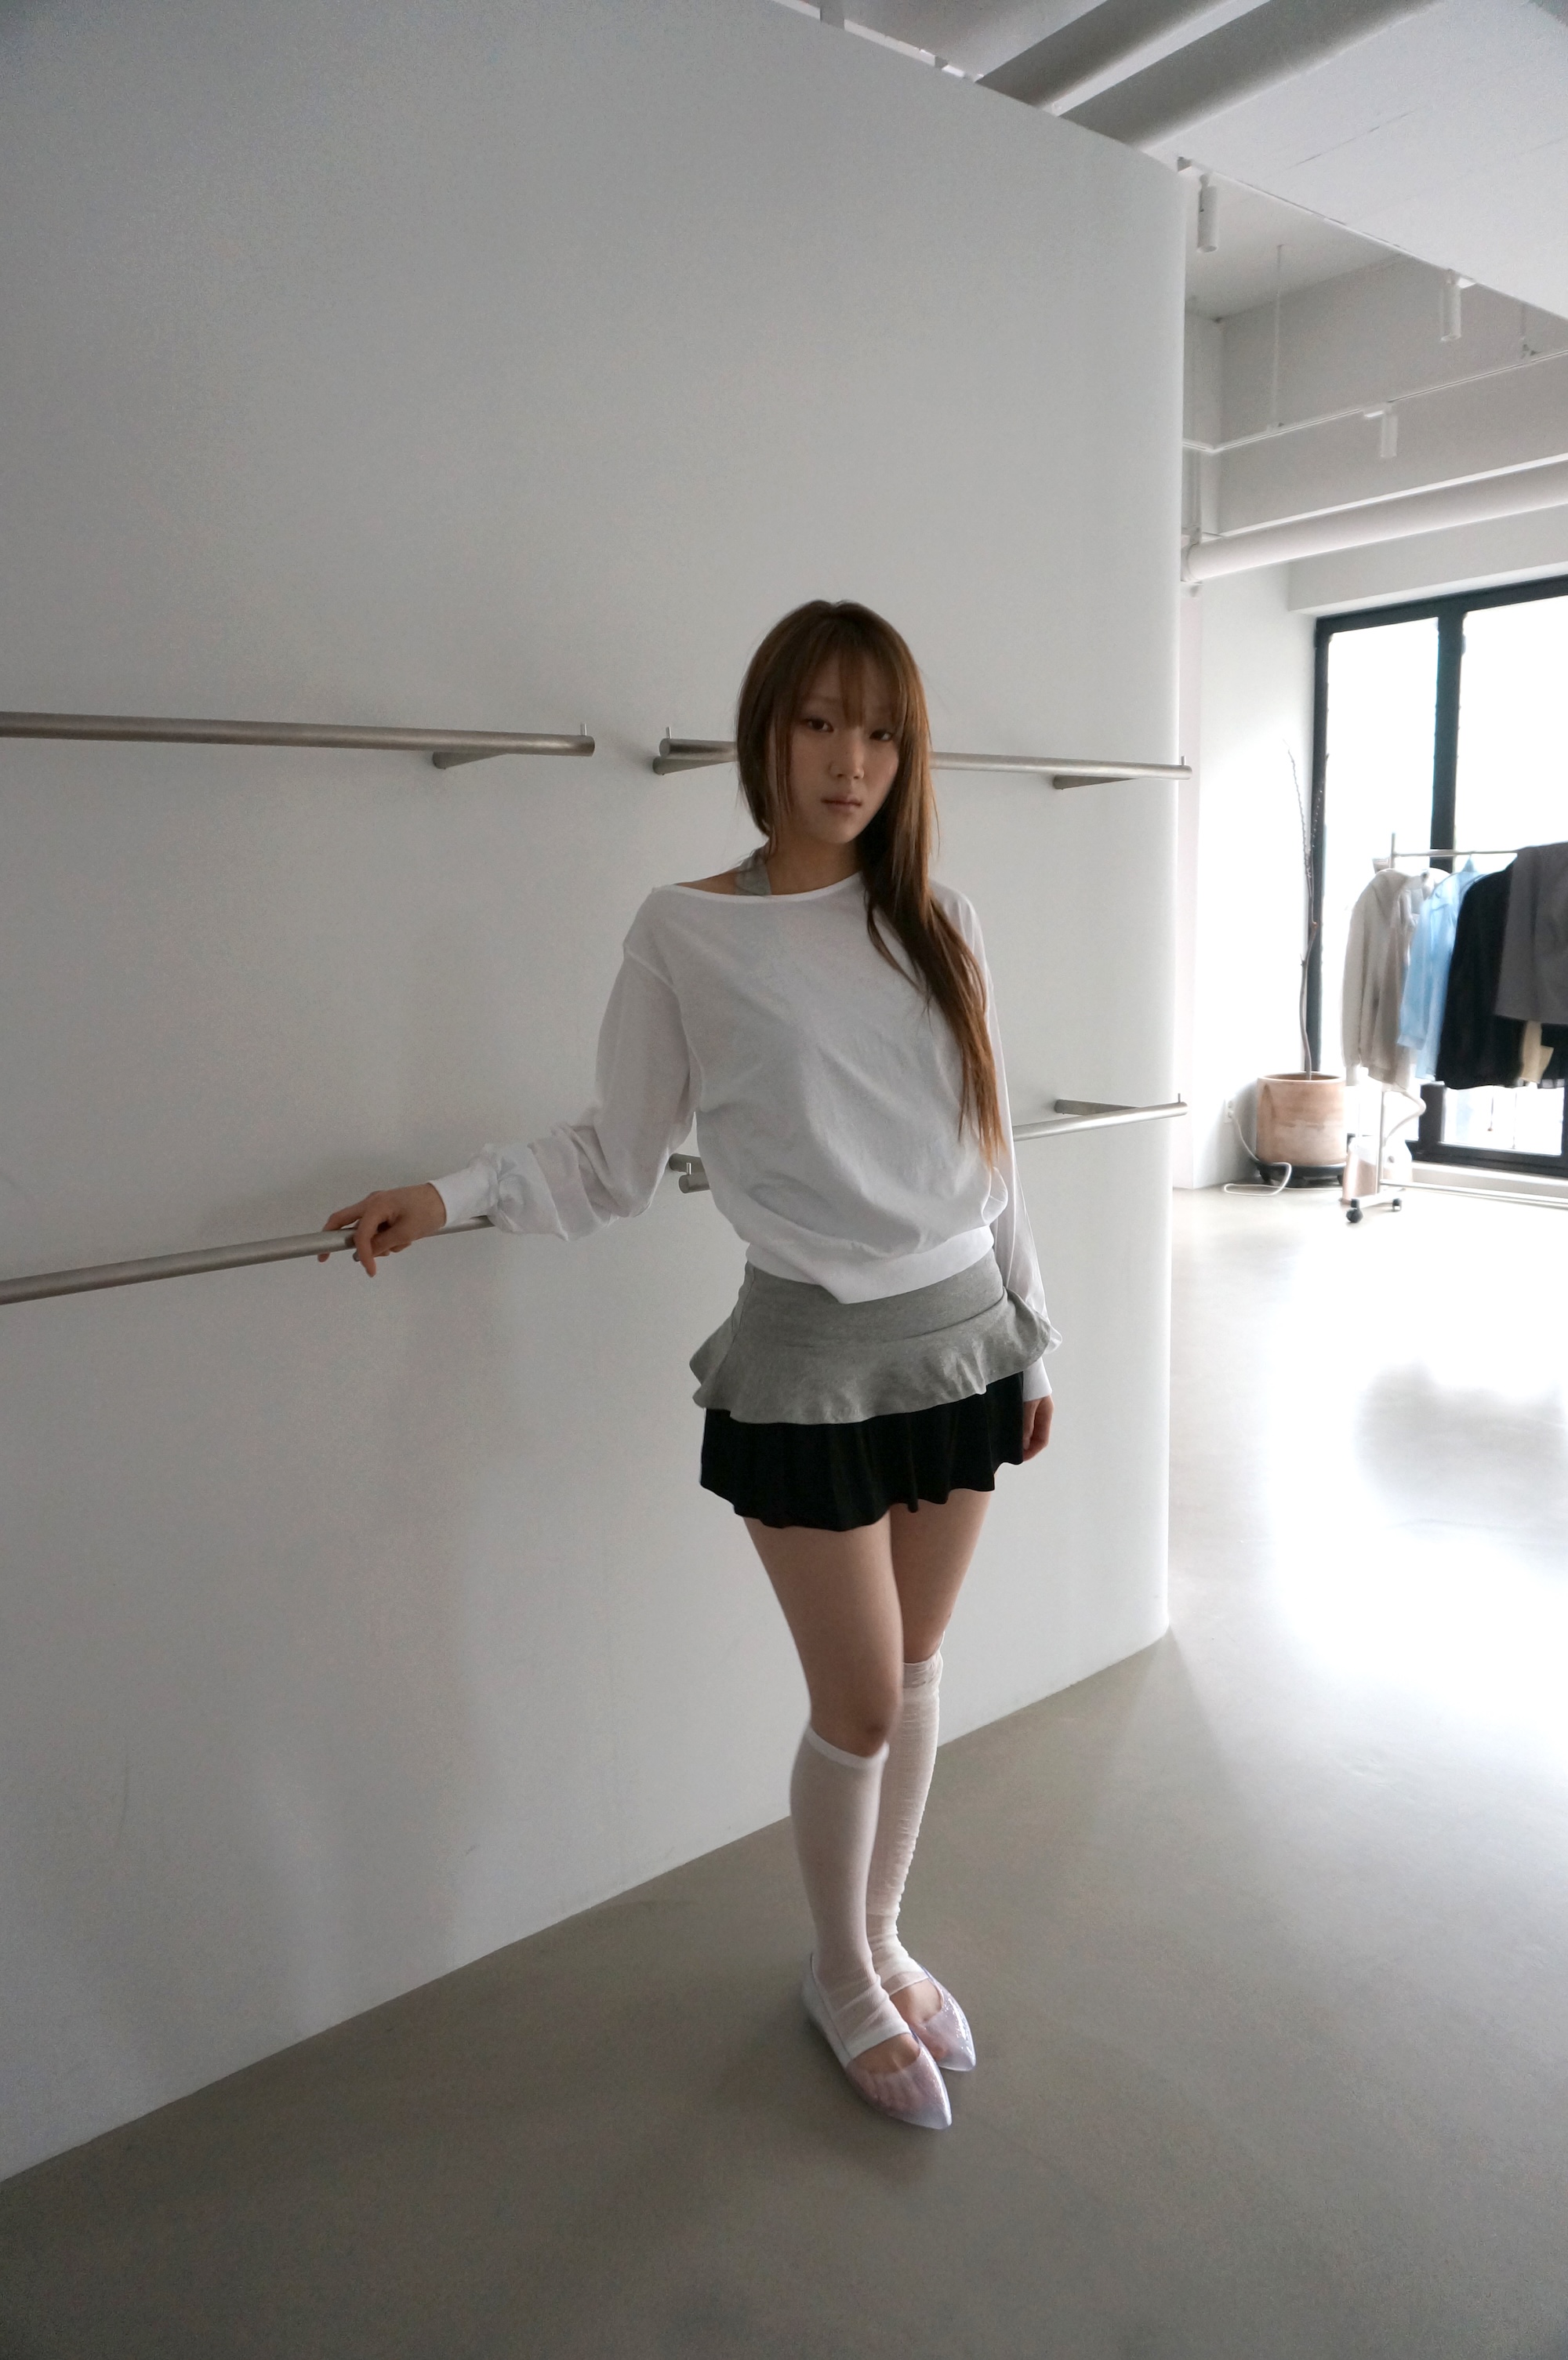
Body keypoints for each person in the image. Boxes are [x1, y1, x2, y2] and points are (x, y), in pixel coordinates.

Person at [321, 600, 1058, 2132]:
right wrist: (447, 1196)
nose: (849, 761)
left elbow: (988, 1150)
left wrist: (1029, 1326)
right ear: (764, 731)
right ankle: (840, 1974)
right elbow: (613, 1154)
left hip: (964, 1332)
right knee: (859, 1701)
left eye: (881, 732)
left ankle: (886, 1938)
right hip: (810, 1355)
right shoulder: (688, 930)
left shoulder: (940, 917)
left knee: (919, 1672)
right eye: (819, 722)